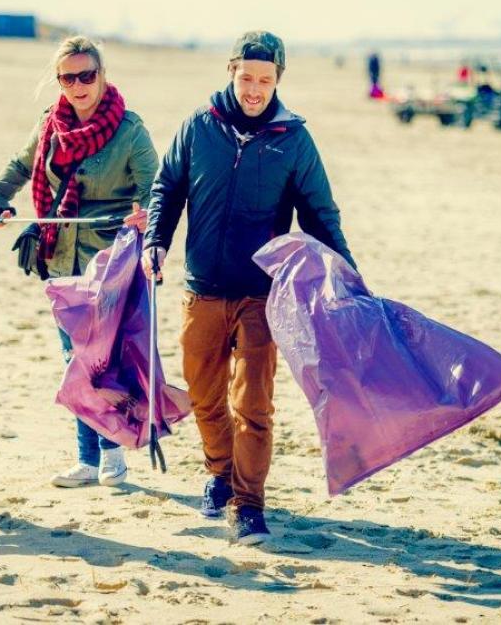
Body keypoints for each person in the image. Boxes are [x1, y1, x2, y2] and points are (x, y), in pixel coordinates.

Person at [143, 31, 354, 545]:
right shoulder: (198, 126)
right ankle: (218, 473)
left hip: (263, 295)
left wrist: (346, 271)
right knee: (203, 393)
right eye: (246, 78)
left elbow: (320, 213)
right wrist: (156, 241)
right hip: (203, 288)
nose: (254, 89)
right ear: (231, 72)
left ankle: (249, 504)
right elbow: (167, 187)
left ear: (277, 79)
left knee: (253, 405)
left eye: (265, 80)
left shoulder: (293, 139)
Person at [0, 36, 157, 488]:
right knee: (73, 360)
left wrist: (145, 214)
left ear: (102, 75)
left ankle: (112, 452)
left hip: (110, 263)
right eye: (68, 77)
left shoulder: (130, 131)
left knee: (101, 361)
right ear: (58, 81)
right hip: (59, 259)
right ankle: (89, 461)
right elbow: (19, 168)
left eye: (87, 75)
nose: (78, 86)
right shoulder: (49, 127)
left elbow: (158, 190)